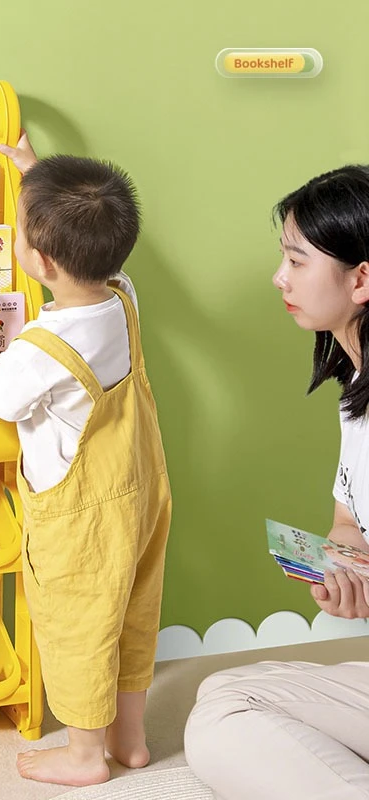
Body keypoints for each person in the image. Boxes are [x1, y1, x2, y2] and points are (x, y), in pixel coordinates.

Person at [0, 132, 172, 786]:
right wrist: (35, 173)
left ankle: (87, 755)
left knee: (80, 627)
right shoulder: (122, 295)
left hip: (80, 515)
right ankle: (132, 739)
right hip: (141, 490)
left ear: (39, 261)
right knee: (133, 611)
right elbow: (77, 242)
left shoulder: (41, 346)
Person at [184, 165, 369, 799]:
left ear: (361, 277)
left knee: (225, 716)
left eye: (296, 260)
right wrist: (344, 568)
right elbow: (350, 518)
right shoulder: (355, 390)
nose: (278, 277)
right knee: (219, 695)